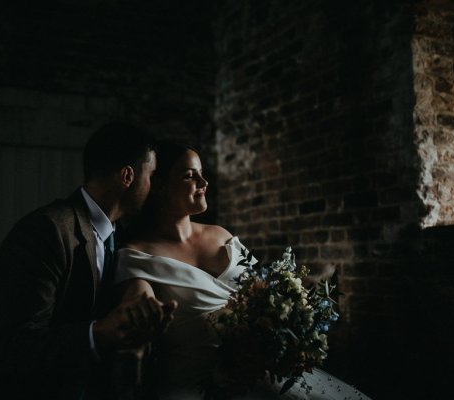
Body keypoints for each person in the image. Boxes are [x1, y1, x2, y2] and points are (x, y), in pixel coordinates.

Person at [114, 142, 371, 400]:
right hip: (195, 385)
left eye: (201, 172)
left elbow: (264, 287)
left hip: (259, 371)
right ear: (159, 187)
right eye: (189, 175)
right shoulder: (137, 252)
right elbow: (137, 298)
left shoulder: (222, 235)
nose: (203, 181)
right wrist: (141, 305)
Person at [0, 123, 177, 400]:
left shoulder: (121, 234)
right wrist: (100, 333)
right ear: (128, 175)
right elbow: (16, 346)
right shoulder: (47, 231)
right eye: (151, 176)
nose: (154, 188)